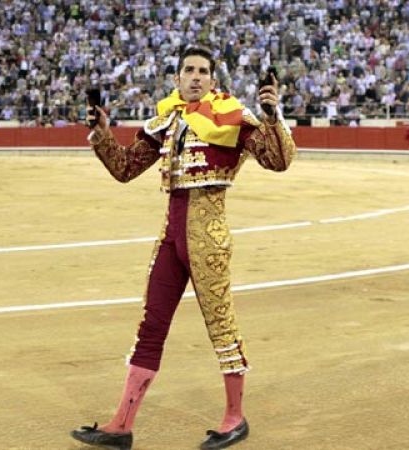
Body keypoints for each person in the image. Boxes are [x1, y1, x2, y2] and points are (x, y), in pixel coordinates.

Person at [71, 46, 296, 450]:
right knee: (151, 326)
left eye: (203, 71)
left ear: (213, 80)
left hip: (208, 240)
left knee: (221, 325)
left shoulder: (232, 116)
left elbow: (279, 161)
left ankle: (235, 417)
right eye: (189, 70)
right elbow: (125, 168)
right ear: (177, 78)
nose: (195, 76)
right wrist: (102, 132)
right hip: (170, 239)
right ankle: (121, 425)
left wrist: (271, 115)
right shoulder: (169, 118)